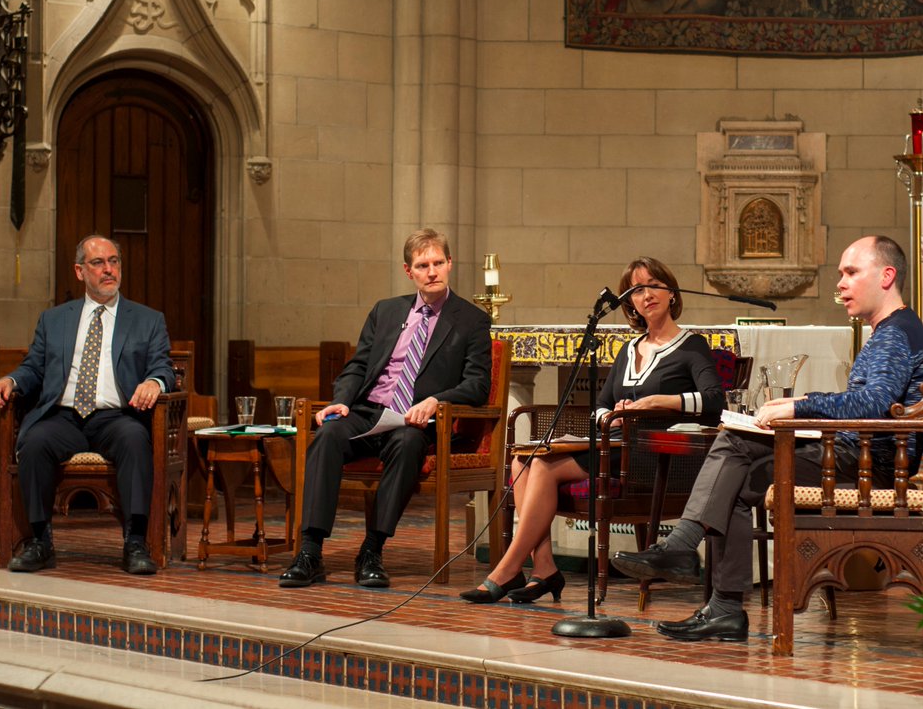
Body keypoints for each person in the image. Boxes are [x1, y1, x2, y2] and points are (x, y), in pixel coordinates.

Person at [613, 236, 923, 641]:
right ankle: (724, 608)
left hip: (867, 466)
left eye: (851, 273)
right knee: (734, 481)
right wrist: (803, 402)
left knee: (733, 443)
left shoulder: (895, 332)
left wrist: (799, 408)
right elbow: (870, 399)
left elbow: (873, 403)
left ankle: (685, 549)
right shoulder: (893, 330)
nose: (840, 283)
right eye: (840, 274)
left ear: (887, 276)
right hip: (853, 456)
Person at [460, 256, 723, 604]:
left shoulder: (692, 347)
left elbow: (714, 400)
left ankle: (508, 569)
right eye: (637, 289)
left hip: (652, 455)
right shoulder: (629, 350)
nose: (647, 295)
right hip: (613, 446)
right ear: (629, 302)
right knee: (521, 463)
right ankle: (543, 568)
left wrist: (658, 401)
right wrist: (608, 417)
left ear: (672, 293)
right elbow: (600, 403)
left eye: (654, 286)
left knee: (539, 465)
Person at [280, 229, 492, 589]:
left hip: (413, 420)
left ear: (450, 264)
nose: (432, 271)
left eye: (438, 263)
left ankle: (372, 551)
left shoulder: (471, 320)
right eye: (423, 265)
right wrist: (341, 401)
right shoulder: (386, 310)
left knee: (409, 444)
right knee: (328, 433)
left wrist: (437, 400)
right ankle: (310, 552)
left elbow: (477, 384)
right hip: (368, 411)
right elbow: (358, 365)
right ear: (409, 271)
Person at [0, 234, 176, 576]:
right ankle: (40, 541)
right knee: (33, 443)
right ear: (79, 271)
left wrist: (154, 382)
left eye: (114, 261)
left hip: (116, 416)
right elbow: (33, 368)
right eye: (98, 263)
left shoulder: (147, 320)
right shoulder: (54, 319)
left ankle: (135, 542)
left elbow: (162, 367)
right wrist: (10, 381)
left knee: (135, 440)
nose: (108, 270)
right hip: (64, 416)